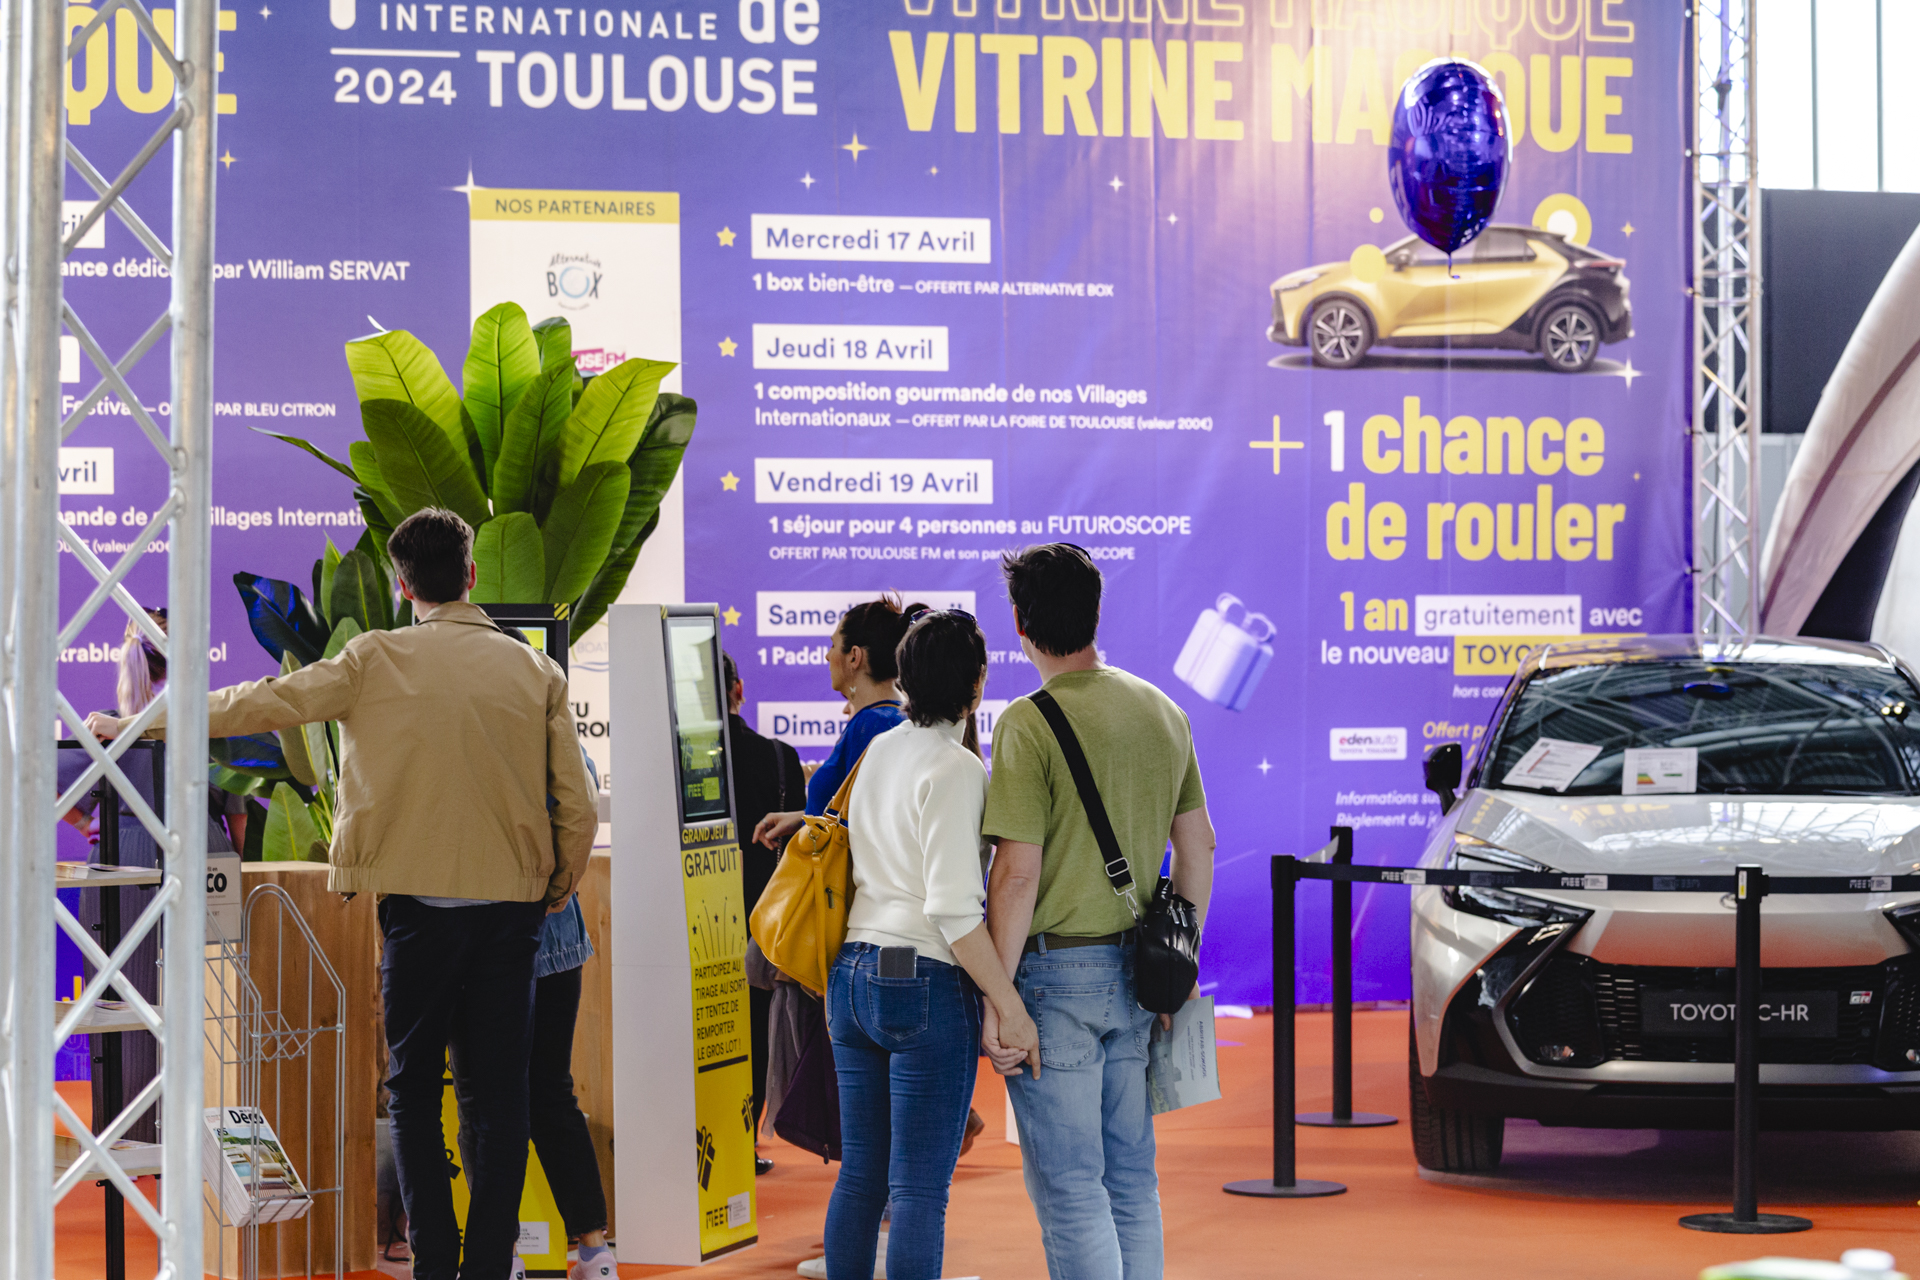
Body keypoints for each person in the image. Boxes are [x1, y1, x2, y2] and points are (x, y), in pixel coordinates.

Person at [87, 508, 597, 1280]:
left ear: (401, 584)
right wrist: (556, 882)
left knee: (414, 1094)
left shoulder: (371, 658)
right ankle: (490, 1266)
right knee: (499, 1102)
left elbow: (266, 700)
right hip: (510, 917)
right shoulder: (535, 671)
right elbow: (576, 805)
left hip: (416, 918)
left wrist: (146, 724)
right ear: (469, 576)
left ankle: (433, 1260)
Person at [979, 544, 1216, 1280]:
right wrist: (1179, 963)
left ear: (1018, 622)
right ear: (1095, 613)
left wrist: (999, 995)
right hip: (1139, 977)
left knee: (1071, 1187)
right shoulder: (1162, 710)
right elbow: (1199, 848)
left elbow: (1017, 877)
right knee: (1131, 1180)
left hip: (1053, 981)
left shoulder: (1027, 723)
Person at [825, 609, 1038, 1280]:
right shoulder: (957, 769)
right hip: (920, 981)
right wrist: (1009, 1004)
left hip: (854, 972)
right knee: (918, 1188)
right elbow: (951, 908)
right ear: (978, 682)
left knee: (862, 1176)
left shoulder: (879, 749)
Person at [59, 609, 247, 1143]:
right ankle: (212, 1130)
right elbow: (237, 814)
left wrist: (99, 827)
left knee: (128, 1004)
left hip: (126, 859)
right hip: (206, 855)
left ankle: (132, 1132)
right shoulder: (209, 720)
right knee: (214, 1002)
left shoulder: (104, 723)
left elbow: (49, 783)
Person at [750, 596, 922, 851]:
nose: (828, 656)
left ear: (854, 657)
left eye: (833, 645)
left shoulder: (870, 727)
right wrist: (802, 818)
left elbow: (859, 831)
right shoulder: (890, 718)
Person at [721, 649, 804, 1171]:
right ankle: (739, 1143)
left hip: (695, 914)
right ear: (739, 690)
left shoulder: (679, 760)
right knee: (753, 1029)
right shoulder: (779, 755)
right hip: (763, 919)